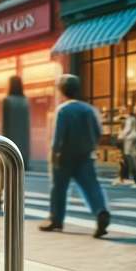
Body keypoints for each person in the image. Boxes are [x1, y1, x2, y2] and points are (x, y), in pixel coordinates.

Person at [40, 74, 110, 238]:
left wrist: (54, 153)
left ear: (62, 91)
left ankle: (56, 219)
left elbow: (58, 136)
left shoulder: (63, 110)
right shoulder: (89, 109)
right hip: (85, 155)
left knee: (58, 188)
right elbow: (98, 132)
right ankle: (101, 212)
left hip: (64, 156)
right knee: (91, 186)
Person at [0, 75, 30, 210]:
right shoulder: (25, 101)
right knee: (17, 172)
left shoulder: (7, 101)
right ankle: (15, 200)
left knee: (2, 171)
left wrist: (0, 145)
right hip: (22, 144)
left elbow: (5, 125)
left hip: (8, 141)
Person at [118, 104, 136, 188]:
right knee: (133, 161)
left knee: (132, 161)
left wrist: (120, 136)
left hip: (130, 142)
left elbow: (127, 130)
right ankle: (128, 177)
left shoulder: (131, 119)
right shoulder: (135, 119)